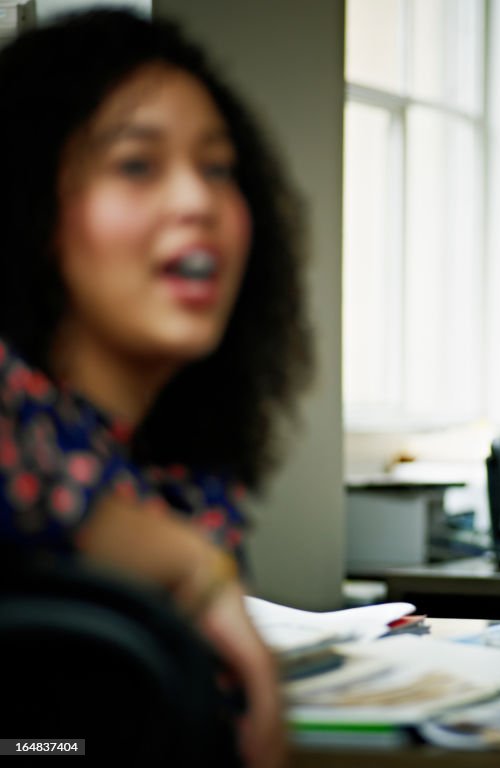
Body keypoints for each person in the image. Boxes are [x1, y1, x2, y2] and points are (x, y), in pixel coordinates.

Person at [0, 10, 313, 766]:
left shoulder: (189, 485)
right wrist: (189, 567)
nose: (197, 202)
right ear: (33, 203)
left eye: (217, 168)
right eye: (137, 164)